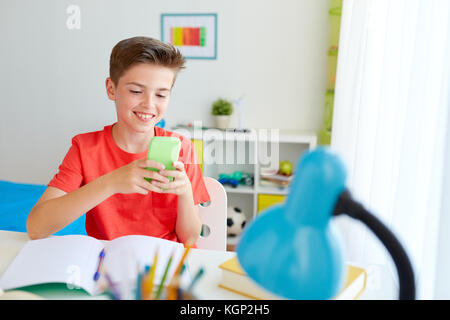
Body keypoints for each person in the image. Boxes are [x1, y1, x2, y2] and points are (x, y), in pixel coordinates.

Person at [27, 36, 210, 245]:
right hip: (106, 265)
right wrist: (111, 183)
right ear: (111, 89)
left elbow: (190, 238)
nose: (149, 104)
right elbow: (36, 227)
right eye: (136, 91)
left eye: (161, 95)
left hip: (163, 265)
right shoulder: (84, 148)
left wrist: (185, 192)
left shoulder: (183, 148)